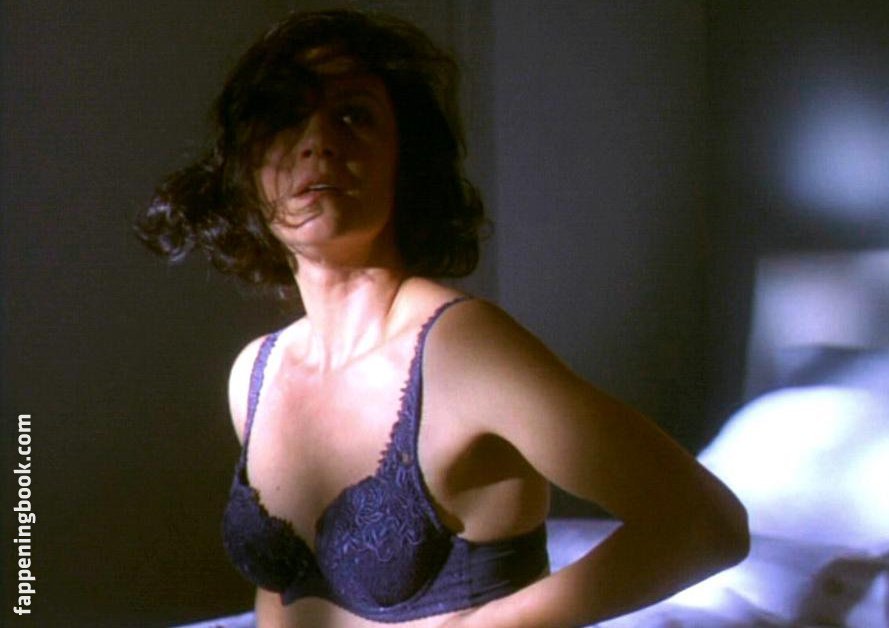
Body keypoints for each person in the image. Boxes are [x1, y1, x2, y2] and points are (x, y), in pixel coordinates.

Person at [135, 9, 748, 627]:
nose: (317, 141)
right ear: (244, 171)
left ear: (405, 161)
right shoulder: (256, 373)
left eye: (353, 115)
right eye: (283, 116)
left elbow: (704, 523)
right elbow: (281, 593)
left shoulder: (460, 348)